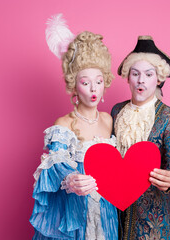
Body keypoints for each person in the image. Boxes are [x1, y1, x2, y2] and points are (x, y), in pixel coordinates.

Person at [30, 31, 118, 240]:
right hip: (75, 211)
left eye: (98, 81)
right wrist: (71, 179)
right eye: (85, 83)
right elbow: (55, 167)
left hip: (107, 210)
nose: (93, 89)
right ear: (74, 87)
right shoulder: (64, 124)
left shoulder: (109, 120)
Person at [111, 36, 170, 240]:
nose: (141, 80)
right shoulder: (116, 111)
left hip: (153, 224)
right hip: (115, 219)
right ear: (127, 77)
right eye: (135, 73)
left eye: (148, 74)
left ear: (158, 79)